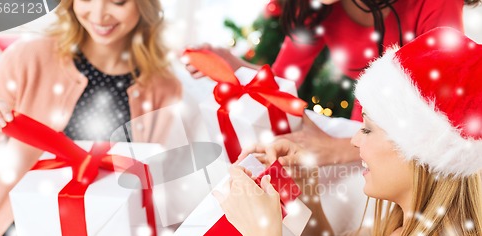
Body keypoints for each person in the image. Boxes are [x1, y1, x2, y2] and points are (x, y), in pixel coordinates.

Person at [215, 27, 482, 236]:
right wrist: (308, 188)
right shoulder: (402, 226)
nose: (354, 141)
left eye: (367, 129)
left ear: (419, 152)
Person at [0, 0, 181, 236]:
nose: (99, 15)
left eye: (117, 1)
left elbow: (159, 193)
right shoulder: (27, 57)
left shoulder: (163, 88)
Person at [188, 0, 480, 167]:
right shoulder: (319, 7)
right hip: (360, 136)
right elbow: (283, 80)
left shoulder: (436, 3)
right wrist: (234, 64)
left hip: (414, 157)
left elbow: (445, 123)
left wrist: (339, 150)